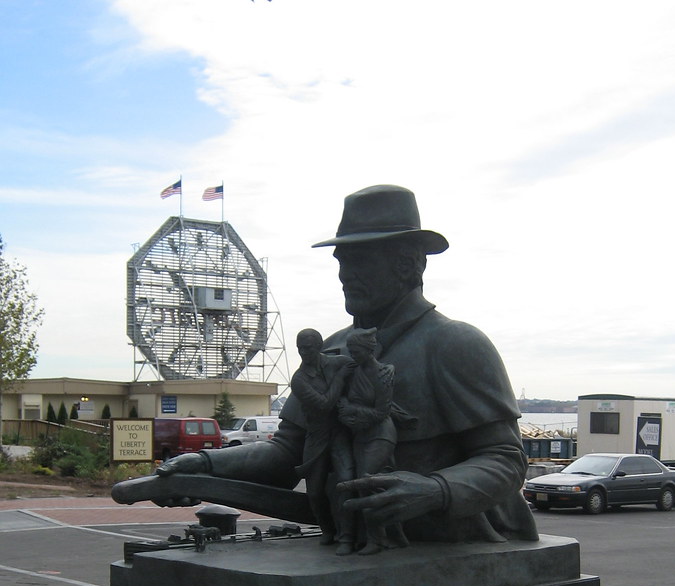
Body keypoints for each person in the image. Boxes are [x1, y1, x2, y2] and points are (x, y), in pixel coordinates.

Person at [155, 184, 538, 545]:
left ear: (408, 264)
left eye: (361, 263)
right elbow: (288, 454)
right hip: (354, 542)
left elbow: (505, 460)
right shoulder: (329, 351)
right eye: (342, 262)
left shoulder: (455, 344)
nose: (345, 276)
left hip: (454, 546)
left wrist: (436, 490)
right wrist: (205, 466)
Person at [333, 327, 409, 555]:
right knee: (374, 486)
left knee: (365, 484)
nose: (353, 355)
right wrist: (344, 408)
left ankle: (377, 540)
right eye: (351, 350)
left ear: (370, 349)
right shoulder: (352, 371)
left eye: (356, 351)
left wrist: (350, 409)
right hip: (360, 436)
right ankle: (396, 536)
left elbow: (381, 412)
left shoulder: (384, 373)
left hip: (381, 435)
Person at [289, 327, 352, 544]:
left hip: (339, 433)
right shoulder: (298, 380)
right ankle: (327, 530)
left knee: (346, 482)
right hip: (316, 436)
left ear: (319, 346)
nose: (304, 352)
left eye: (308, 347)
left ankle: (347, 535)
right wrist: (340, 381)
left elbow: (362, 366)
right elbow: (324, 405)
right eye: (300, 348)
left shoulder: (336, 363)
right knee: (314, 492)